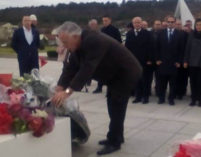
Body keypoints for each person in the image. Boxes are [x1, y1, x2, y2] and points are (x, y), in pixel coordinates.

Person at [51, 22, 142, 155]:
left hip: (125, 73)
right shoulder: (77, 45)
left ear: (75, 36)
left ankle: (114, 142)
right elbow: (71, 68)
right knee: (112, 104)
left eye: (65, 41)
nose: (64, 46)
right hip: (113, 76)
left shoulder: (94, 40)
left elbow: (87, 69)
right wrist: (59, 88)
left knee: (116, 106)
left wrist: (67, 92)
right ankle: (117, 136)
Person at [184, 18, 201, 107]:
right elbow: (187, 49)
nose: (198, 26)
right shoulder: (191, 35)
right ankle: (193, 99)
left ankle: (200, 99)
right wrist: (185, 60)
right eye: (197, 25)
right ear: (195, 26)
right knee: (193, 82)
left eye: (200, 25)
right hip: (192, 62)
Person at [125, 17, 153, 104]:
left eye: (138, 22)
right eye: (135, 23)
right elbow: (127, 48)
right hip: (134, 61)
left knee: (145, 80)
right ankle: (138, 96)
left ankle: (145, 97)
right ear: (133, 24)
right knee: (136, 80)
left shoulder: (147, 33)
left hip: (144, 60)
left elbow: (151, 47)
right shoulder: (129, 33)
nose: (137, 24)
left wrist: (149, 59)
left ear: (141, 23)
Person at [156, 16, 182, 105]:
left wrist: (179, 61)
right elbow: (157, 47)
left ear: (175, 23)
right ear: (166, 22)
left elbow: (181, 49)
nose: (170, 23)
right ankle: (161, 98)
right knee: (162, 83)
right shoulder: (160, 33)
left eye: (172, 22)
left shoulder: (179, 34)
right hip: (162, 62)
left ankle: (171, 99)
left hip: (174, 63)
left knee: (173, 83)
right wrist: (158, 59)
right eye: (169, 22)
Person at [93, 16, 122, 93]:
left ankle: (111, 88)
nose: (104, 22)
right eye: (103, 21)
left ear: (110, 20)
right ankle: (99, 87)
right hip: (103, 53)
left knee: (111, 71)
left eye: (106, 20)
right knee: (101, 71)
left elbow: (119, 42)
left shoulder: (115, 30)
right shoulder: (102, 30)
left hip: (112, 53)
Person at [175, 19, 189, 100]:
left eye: (179, 24)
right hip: (174, 60)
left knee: (183, 78)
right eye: (177, 24)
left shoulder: (185, 34)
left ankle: (181, 92)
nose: (178, 25)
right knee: (175, 78)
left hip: (183, 59)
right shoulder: (172, 33)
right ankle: (175, 92)